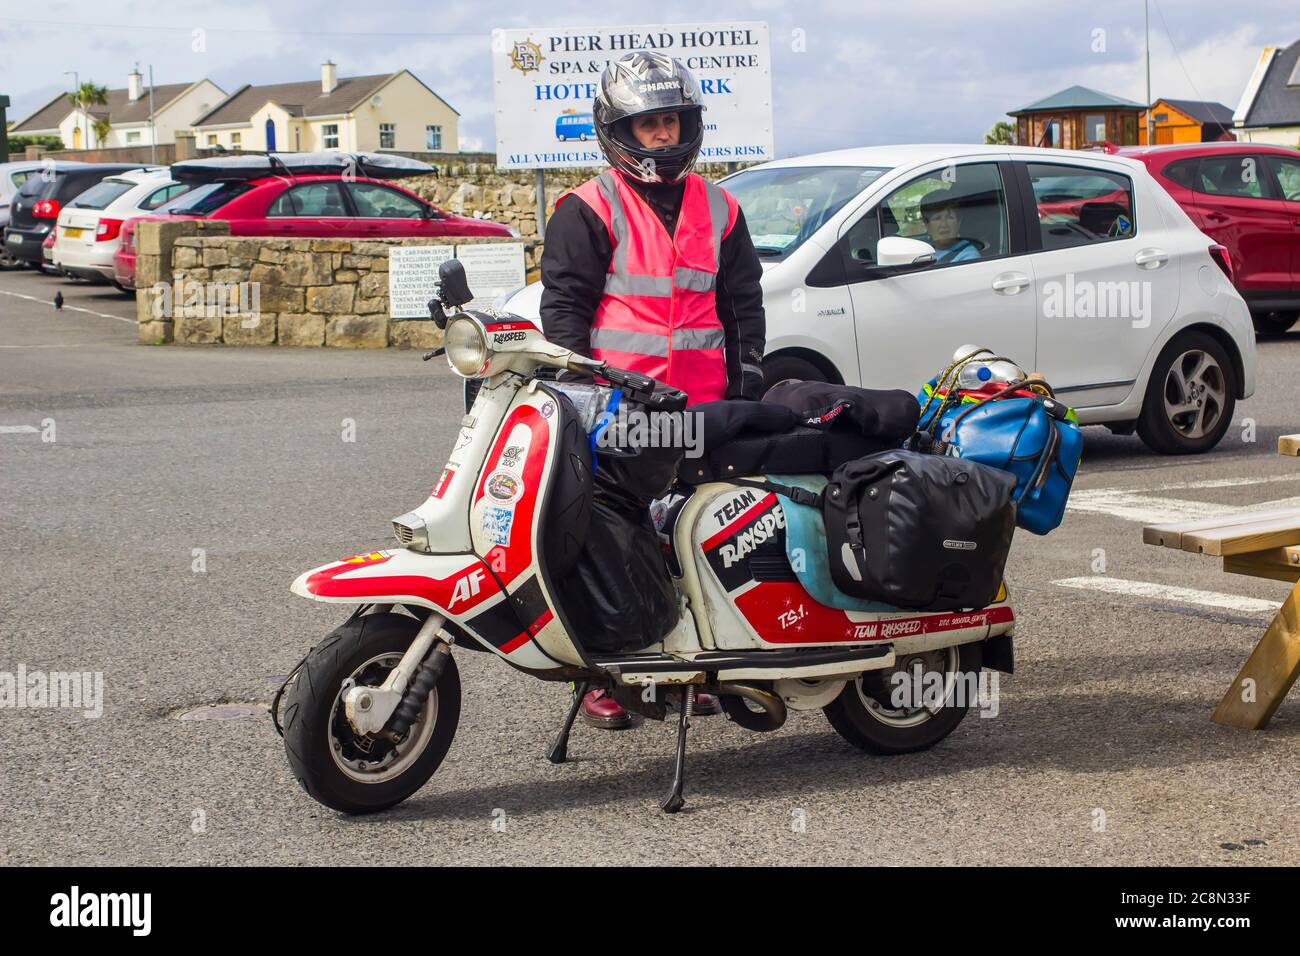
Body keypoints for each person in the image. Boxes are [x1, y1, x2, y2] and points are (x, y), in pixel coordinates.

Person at [540, 50, 767, 729]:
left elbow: (742, 304)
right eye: (649, 126)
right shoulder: (586, 208)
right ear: (619, 131)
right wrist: (581, 390)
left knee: (694, 534)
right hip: (620, 411)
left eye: (671, 122)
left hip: (700, 409)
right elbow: (565, 312)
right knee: (613, 535)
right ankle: (611, 675)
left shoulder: (721, 206)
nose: (664, 137)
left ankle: (698, 664)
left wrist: (748, 373)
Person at [919, 190, 980, 263]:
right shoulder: (923, 251)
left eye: (950, 217)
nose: (944, 224)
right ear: (926, 224)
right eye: (937, 218)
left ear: (958, 222)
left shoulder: (969, 256)